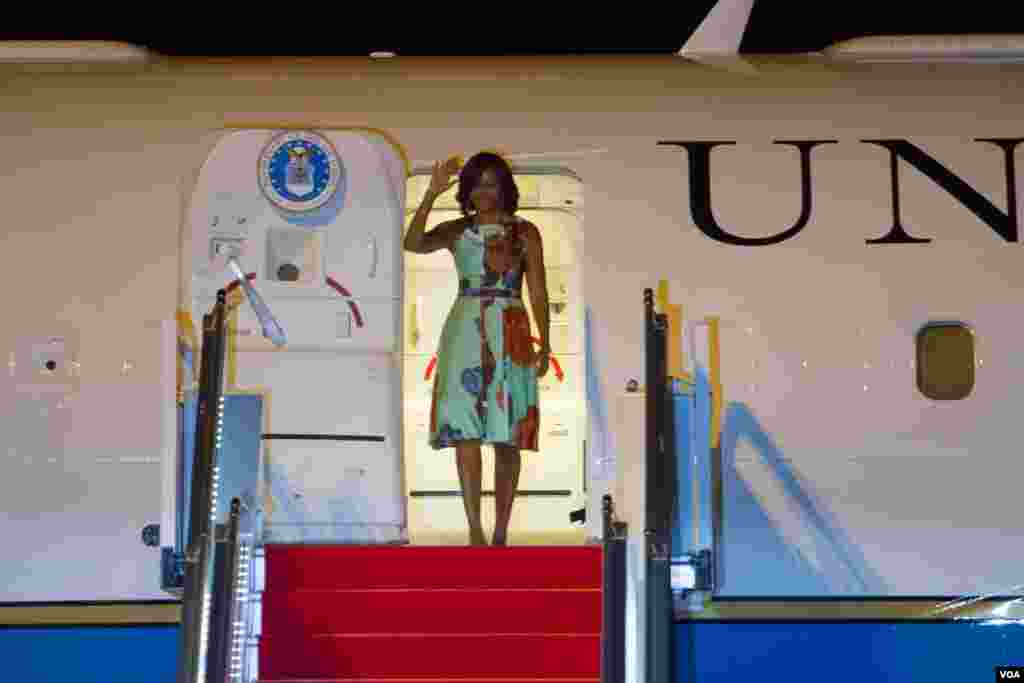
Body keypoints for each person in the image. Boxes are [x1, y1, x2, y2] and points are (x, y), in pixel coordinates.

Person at [403, 151, 550, 546]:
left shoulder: (526, 232)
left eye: (493, 182)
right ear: (468, 189)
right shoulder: (456, 231)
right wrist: (431, 193)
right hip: (465, 328)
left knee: (508, 434)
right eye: (478, 183)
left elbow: (537, 290)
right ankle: (475, 530)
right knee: (466, 431)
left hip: (512, 326)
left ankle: (501, 531)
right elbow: (412, 242)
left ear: (505, 187)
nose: (486, 191)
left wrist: (545, 343)